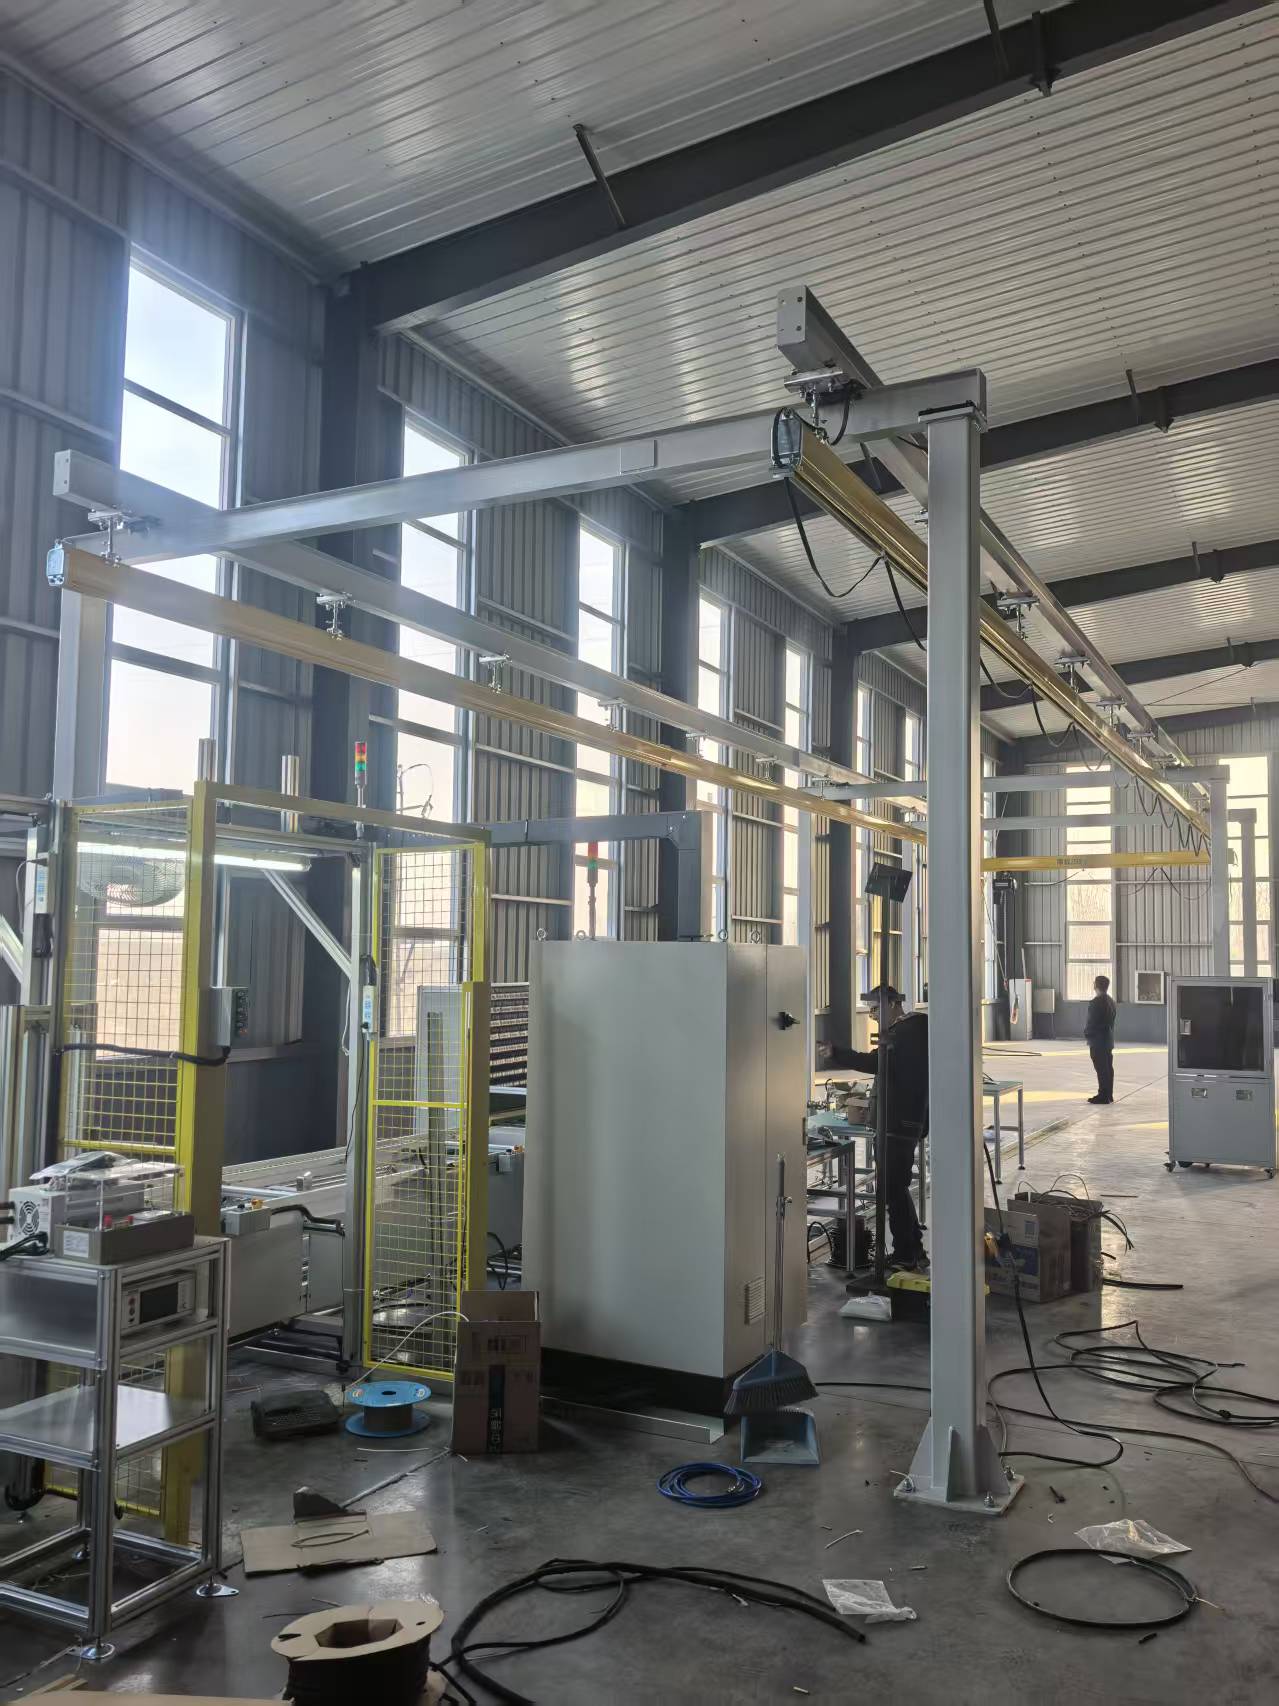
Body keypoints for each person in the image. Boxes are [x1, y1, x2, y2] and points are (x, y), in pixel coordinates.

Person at [818, 986, 927, 1271]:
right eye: (870, 1011)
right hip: (898, 1121)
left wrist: (837, 1053)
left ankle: (906, 1254)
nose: (873, 1016)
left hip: (898, 1124)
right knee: (896, 1189)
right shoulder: (907, 1031)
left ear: (892, 1004)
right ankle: (913, 1249)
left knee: (893, 1191)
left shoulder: (908, 1031)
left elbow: (874, 1063)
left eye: (876, 1009)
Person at [1085, 974, 1117, 1105]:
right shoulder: (1111, 1001)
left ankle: (1103, 1095)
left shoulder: (1096, 1002)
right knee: (1108, 1068)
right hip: (1108, 1039)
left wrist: (1087, 1034)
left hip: (1098, 1040)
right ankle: (1109, 1094)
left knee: (1101, 1069)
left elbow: (1092, 1022)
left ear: (1096, 986)